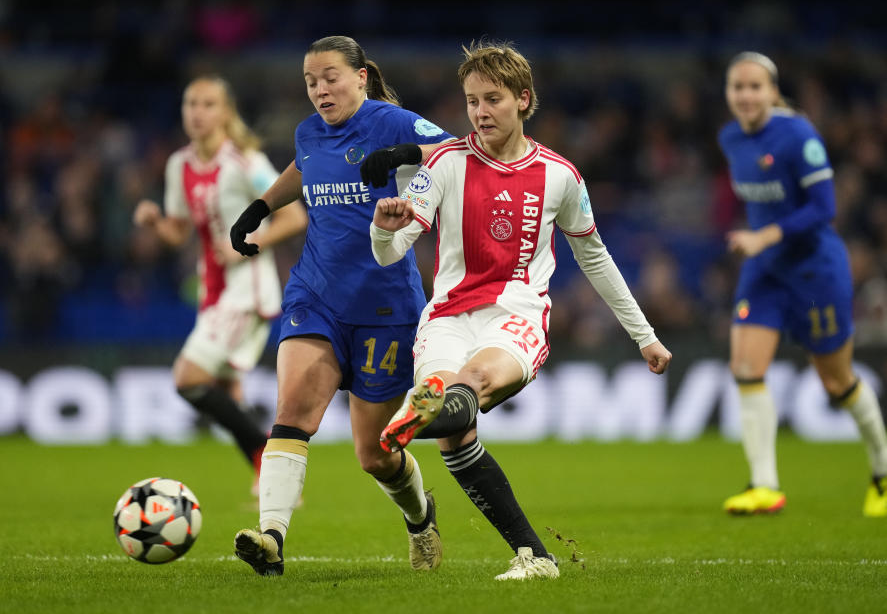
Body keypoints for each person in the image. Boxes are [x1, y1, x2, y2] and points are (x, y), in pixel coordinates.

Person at [369, 41, 672, 580]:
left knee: (470, 382)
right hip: (447, 317)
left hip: (516, 315)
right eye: (470, 102)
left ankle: (423, 412)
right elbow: (392, 251)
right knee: (451, 428)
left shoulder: (560, 176)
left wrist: (643, 335)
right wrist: (383, 229)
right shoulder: (441, 164)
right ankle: (537, 558)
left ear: (523, 100)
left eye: (492, 100)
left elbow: (595, 258)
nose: (480, 113)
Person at [227, 35, 455, 576]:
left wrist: (407, 154)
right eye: (310, 81)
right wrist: (259, 207)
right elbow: (303, 169)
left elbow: (463, 151)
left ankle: (421, 519)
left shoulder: (391, 122)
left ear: (361, 76)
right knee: (292, 413)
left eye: (330, 77)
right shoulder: (309, 132)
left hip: (385, 306)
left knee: (374, 454)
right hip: (316, 295)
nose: (320, 90)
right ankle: (272, 538)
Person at [717, 52, 887, 517]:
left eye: (756, 87)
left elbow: (823, 208)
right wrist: (759, 242)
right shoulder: (731, 138)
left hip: (815, 270)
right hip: (765, 270)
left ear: (773, 92)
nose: (746, 95)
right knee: (746, 368)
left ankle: (882, 473)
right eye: (738, 87)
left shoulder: (798, 137)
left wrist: (765, 236)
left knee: (837, 381)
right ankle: (764, 486)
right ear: (729, 94)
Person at [133, 75, 307, 496]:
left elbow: (293, 216)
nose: (197, 112)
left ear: (226, 112)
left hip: (246, 289)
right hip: (211, 291)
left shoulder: (245, 162)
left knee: (188, 377)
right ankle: (277, 483)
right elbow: (179, 232)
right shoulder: (180, 165)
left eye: (208, 104)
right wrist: (157, 221)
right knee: (229, 392)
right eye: (191, 103)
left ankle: (267, 457)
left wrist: (253, 240)